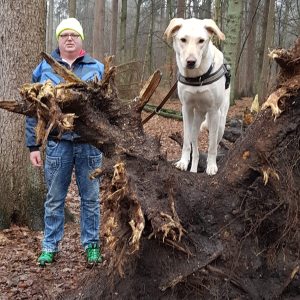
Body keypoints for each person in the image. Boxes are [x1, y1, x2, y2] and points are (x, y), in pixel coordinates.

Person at [25, 18, 104, 267]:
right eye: (64, 35)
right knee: (54, 198)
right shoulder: (44, 69)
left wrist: (107, 141)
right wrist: (33, 146)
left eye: (74, 35)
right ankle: (50, 246)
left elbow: (107, 108)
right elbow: (32, 110)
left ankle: (91, 245)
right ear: (58, 40)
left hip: (89, 144)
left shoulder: (97, 68)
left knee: (90, 198)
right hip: (58, 143)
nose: (69, 38)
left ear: (81, 39)